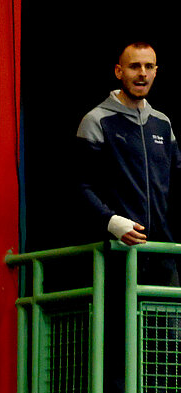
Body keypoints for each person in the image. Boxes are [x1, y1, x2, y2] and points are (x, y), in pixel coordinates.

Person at [79, 42, 174, 256]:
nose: (142, 74)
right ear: (118, 71)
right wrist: (110, 221)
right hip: (115, 249)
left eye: (149, 67)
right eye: (134, 66)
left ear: (156, 72)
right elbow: (80, 185)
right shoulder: (97, 120)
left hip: (161, 250)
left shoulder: (162, 123)